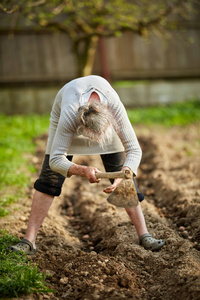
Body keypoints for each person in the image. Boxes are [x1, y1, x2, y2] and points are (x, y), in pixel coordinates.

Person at [7, 75, 165, 255]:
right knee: (49, 179)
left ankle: (144, 235)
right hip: (69, 119)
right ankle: (29, 240)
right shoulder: (69, 113)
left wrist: (125, 173)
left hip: (104, 122)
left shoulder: (114, 108)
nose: (92, 143)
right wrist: (83, 170)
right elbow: (56, 159)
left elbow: (134, 150)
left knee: (125, 181)